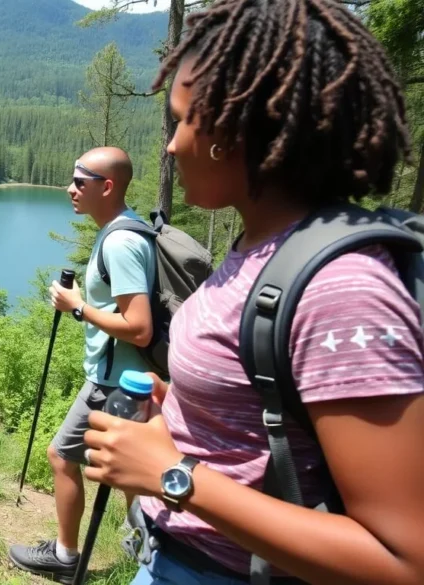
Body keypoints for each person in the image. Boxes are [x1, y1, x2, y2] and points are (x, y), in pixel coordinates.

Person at [79, 1, 424, 584]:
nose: (171, 146)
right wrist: (185, 405)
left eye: (182, 122)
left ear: (233, 133)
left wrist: (174, 475)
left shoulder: (343, 291)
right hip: (176, 556)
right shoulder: (262, 245)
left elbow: (402, 561)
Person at [9, 146, 156, 582]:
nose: (70, 189)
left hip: (114, 381)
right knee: (131, 471)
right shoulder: (122, 230)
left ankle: (65, 556)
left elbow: (139, 327)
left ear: (106, 187)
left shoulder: (121, 242)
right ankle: (149, 551)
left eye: (79, 182)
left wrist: (77, 307)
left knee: (60, 456)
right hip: (129, 378)